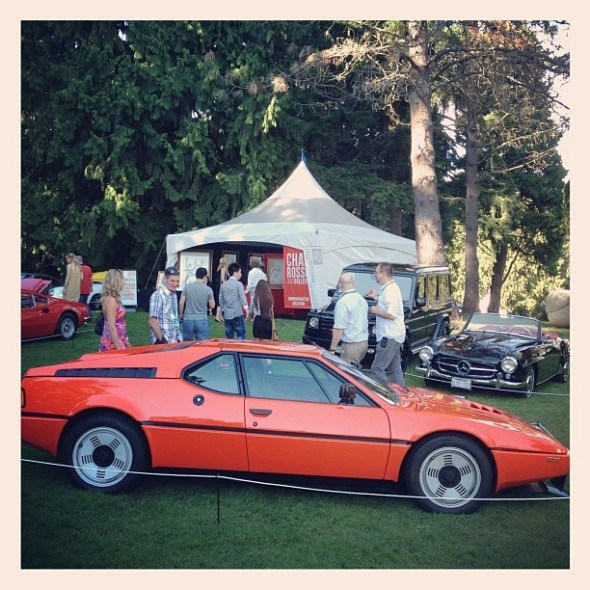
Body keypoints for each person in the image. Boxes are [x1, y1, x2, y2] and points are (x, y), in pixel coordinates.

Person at [367, 262, 406, 387]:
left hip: (389, 336)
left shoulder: (390, 291)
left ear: (383, 273)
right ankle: (402, 396)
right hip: (394, 336)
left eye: (376, 272)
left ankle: (381, 396)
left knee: (377, 368)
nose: (375, 275)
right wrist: (376, 298)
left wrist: (374, 310)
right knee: (395, 371)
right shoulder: (389, 289)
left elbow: (391, 314)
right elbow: (387, 304)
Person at [328, 272, 368, 366]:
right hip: (363, 343)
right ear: (353, 283)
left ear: (340, 285)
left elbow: (339, 328)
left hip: (351, 345)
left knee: (348, 376)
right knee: (355, 372)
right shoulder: (361, 299)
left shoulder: (343, 302)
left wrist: (332, 349)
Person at [98, 269, 131, 351]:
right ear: (116, 281)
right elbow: (111, 327)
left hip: (120, 338)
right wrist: (118, 348)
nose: (124, 282)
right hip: (113, 342)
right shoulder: (111, 301)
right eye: (122, 279)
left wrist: (126, 341)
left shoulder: (114, 299)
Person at [179, 267, 215, 341]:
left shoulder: (187, 287)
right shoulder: (208, 289)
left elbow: (181, 303)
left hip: (188, 319)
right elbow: (212, 305)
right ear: (205, 277)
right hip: (202, 319)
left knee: (186, 344)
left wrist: (181, 315)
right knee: (203, 345)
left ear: (196, 275)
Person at [149, 266, 182, 344]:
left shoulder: (173, 294)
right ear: (165, 279)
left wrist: (178, 338)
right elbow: (152, 321)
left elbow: (173, 316)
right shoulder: (158, 295)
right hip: (164, 342)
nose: (175, 284)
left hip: (175, 339)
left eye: (177, 281)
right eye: (172, 281)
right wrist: (163, 341)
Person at [219, 262, 248, 339]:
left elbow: (221, 298)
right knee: (240, 335)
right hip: (237, 314)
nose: (241, 274)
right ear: (235, 272)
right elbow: (243, 297)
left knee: (229, 337)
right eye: (240, 272)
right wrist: (247, 310)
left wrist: (223, 309)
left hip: (227, 314)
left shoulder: (223, 285)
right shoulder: (239, 284)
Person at [215, 257, 229, 322]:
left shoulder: (218, 268)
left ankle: (220, 316)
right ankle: (217, 317)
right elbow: (222, 279)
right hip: (221, 286)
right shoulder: (223, 269)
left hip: (217, 285)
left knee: (219, 300)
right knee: (220, 302)